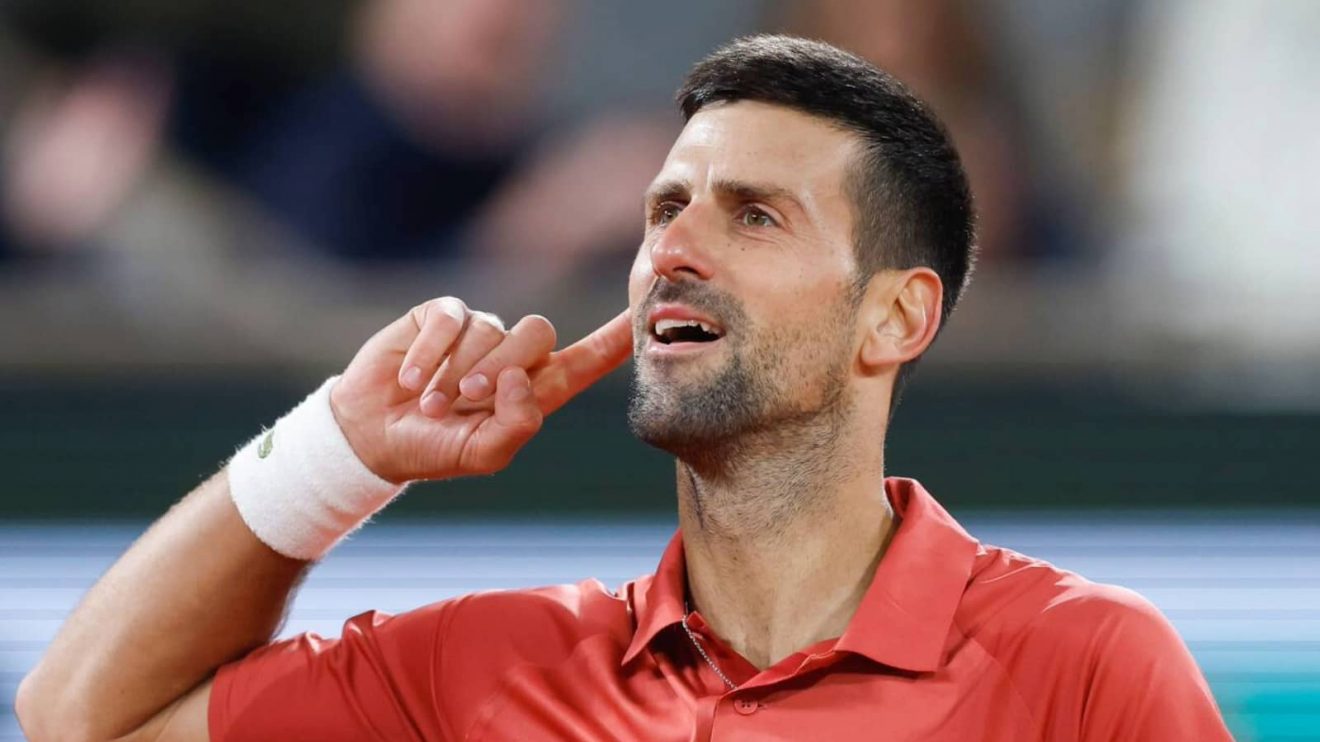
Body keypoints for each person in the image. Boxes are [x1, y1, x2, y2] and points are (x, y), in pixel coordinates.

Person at [16, 36, 1231, 741]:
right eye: (665, 209)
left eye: (753, 215)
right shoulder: (484, 670)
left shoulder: (1089, 666)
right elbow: (81, 720)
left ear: (896, 316)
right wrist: (342, 450)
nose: (672, 250)